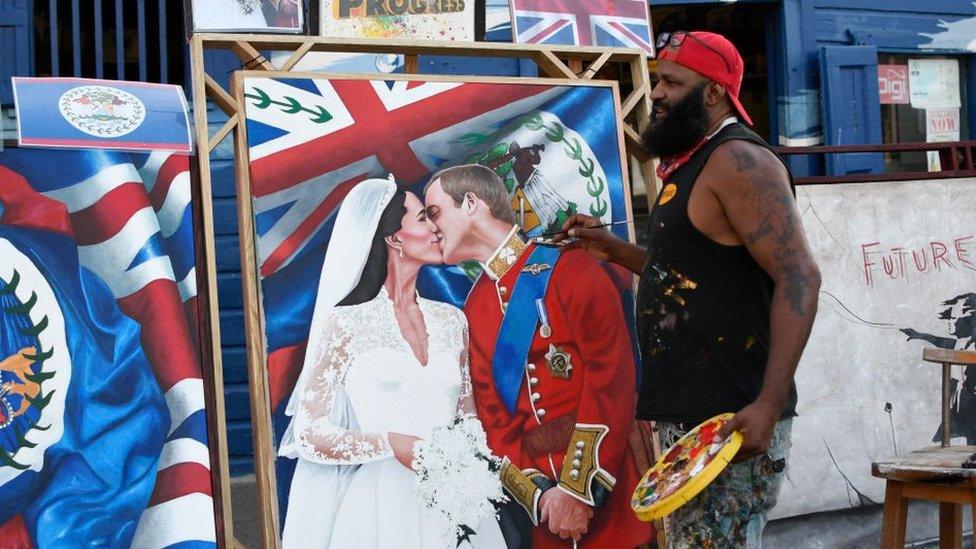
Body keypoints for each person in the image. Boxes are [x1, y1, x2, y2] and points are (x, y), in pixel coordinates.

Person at [559, 31, 822, 547]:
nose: (656, 93)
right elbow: (690, 274)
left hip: (733, 422)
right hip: (692, 414)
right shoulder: (692, 161)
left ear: (713, 93)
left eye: (672, 83)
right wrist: (611, 249)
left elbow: (801, 278)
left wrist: (767, 405)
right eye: (657, 80)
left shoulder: (739, 161)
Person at [423, 164, 652, 548]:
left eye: (435, 212)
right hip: (548, 520)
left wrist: (578, 492)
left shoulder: (570, 267)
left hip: (611, 488)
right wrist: (543, 497)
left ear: (472, 204)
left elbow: (611, 377)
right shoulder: (475, 306)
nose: (431, 227)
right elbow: (494, 424)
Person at [277, 176, 504, 548]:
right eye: (421, 219)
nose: (435, 228)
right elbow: (309, 434)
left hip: (455, 504)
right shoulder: (346, 324)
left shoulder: (452, 320)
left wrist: (470, 470)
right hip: (379, 508)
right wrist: (391, 443)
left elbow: (468, 416)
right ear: (393, 238)